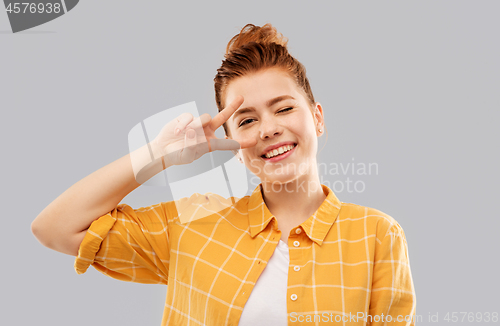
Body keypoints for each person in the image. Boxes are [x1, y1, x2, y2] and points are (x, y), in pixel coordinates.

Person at [31, 23, 416, 326]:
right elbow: (55, 228)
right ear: (231, 142)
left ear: (316, 117)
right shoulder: (194, 225)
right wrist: (159, 155)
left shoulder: (376, 235)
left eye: (283, 109)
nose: (268, 129)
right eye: (247, 120)